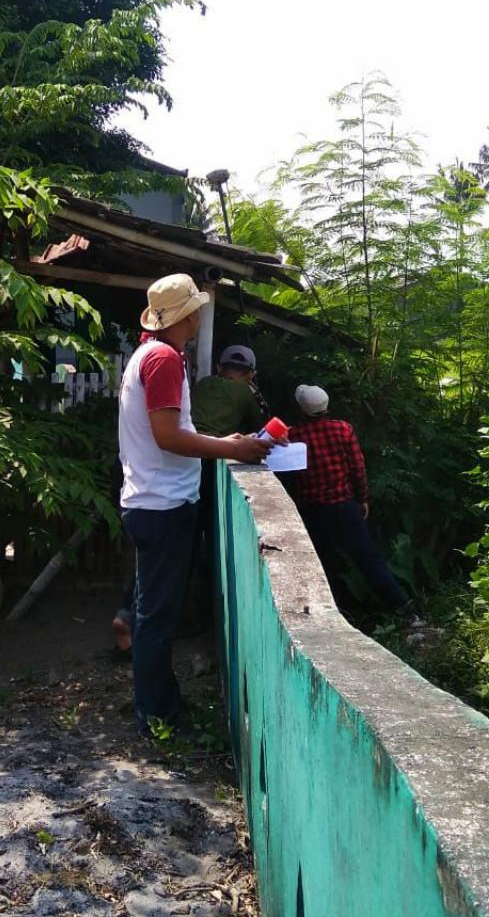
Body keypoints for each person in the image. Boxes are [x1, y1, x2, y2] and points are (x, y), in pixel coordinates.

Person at [118, 274, 273, 732]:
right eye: (197, 308)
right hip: (163, 505)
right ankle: (157, 716)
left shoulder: (148, 354)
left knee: (152, 611)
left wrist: (223, 441)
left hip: (151, 499)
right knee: (157, 618)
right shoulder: (164, 359)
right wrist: (231, 448)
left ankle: (158, 705)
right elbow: (167, 436)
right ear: (188, 315)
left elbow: (174, 429)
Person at [286, 384, 414, 617]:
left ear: (302, 409)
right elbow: (357, 467)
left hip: (312, 510)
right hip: (344, 507)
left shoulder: (293, 435)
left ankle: (327, 612)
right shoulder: (343, 429)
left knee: (319, 563)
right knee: (368, 558)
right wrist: (362, 498)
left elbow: (289, 472)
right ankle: (403, 609)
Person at [190, 345, 264, 437]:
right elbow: (258, 430)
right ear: (251, 375)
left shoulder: (203, 382)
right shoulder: (245, 390)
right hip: (218, 443)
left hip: (190, 438)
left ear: (219, 368)